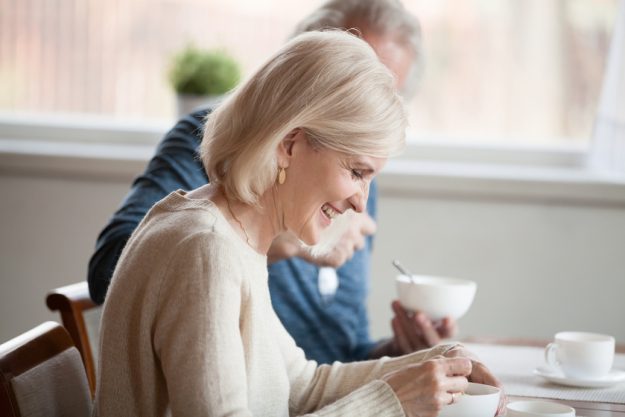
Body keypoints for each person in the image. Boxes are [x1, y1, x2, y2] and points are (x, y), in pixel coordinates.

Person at [94, 30, 503, 417]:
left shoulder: (234, 233)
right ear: (290, 144)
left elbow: (302, 385)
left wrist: (435, 360)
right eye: (356, 172)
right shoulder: (207, 249)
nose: (361, 203)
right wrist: (391, 404)